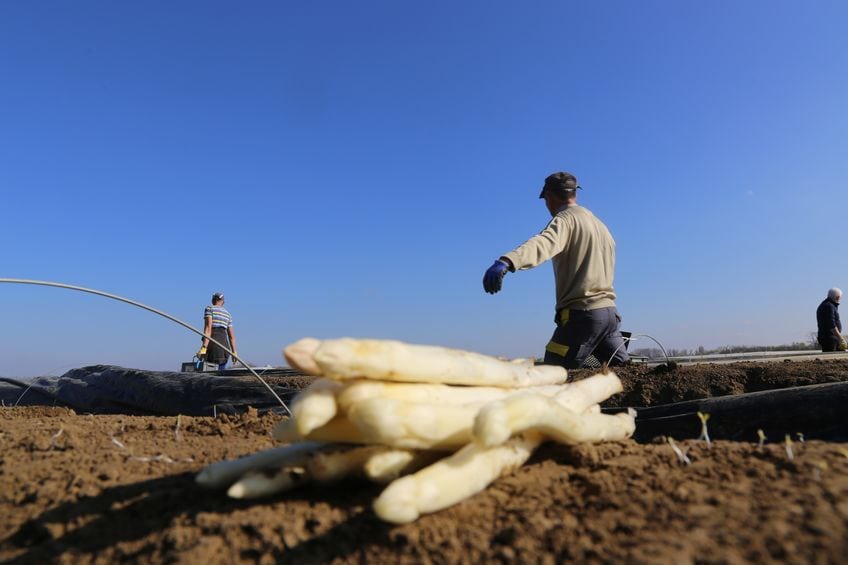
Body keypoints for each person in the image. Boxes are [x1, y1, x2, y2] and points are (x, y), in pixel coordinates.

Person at [482, 171, 629, 369]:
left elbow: (542, 243)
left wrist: (508, 261)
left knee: (552, 374)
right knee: (626, 375)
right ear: (574, 193)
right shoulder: (600, 226)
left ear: (549, 197)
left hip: (582, 316)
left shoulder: (566, 220)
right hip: (610, 316)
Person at [197, 292, 238, 371]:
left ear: (213, 300)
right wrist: (234, 353)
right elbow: (232, 337)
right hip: (225, 349)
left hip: (213, 346)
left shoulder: (210, 309)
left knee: (209, 376)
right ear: (223, 301)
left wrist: (204, 347)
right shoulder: (228, 314)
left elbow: (208, 329)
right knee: (219, 377)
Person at [816, 287, 846, 352]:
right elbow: (831, 325)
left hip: (831, 338)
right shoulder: (828, 306)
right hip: (829, 339)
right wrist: (841, 338)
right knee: (831, 358)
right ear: (838, 297)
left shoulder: (827, 305)